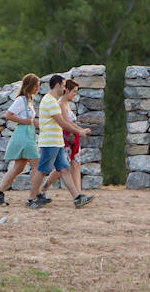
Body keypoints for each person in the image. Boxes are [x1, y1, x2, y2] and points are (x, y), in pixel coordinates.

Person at [27, 74, 93, 209]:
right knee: (42, 170)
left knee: (64, 169)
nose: (64, 89)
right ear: (57, 85)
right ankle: (31, 199)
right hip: (50, 143)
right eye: (63, 86)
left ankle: (77, 198)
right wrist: (79, 131)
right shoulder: (50, 101)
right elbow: (63, 122)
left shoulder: (52, 100)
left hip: (56, 143)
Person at [0, 73, 40, 206]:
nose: (37, 89)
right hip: (24, 136)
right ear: (30, 86)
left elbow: (31, 120)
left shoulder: (29, 100)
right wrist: (23, 121)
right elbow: (8, 114)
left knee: (18, 166)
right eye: (36, 86)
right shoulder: (21, 100)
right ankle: (34, 196)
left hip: (27, 134)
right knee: (37, 165)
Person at [58, 79, 84, 194]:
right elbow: (66, 122)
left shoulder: (67, 103)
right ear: (66, 90)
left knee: (76, 164)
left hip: (73, 139)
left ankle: (78, 193)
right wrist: (80, 130)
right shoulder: (60, 104)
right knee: (62, 167)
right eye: (74, 91)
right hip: (66, 140)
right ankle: (45, 187)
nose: (75, 94)